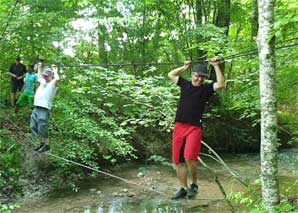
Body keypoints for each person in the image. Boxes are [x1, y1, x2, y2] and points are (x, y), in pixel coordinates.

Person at [167, 58, 225, 199]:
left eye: (202, 77)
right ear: (192, 74)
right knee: (178, 161)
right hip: (179, 126)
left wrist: (216, 66)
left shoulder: (206, 89)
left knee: (189, 157)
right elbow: (171, 74)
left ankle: (194, 184)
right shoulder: (185, 84)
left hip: (194, 128)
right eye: (197, 75)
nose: (199, 79)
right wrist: (184, 67)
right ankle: (183, 188)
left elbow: (221, 84)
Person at [30, 65, 60, 153]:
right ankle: (42, 143)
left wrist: (55, 70)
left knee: (43, 127)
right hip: (36, 107)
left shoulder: (53, 84)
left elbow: (57, 79)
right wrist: (39, 68)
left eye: (47, 75)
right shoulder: (43, 82)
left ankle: (47, 145)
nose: (45, 77)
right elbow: (39, 76)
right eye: (45, 75)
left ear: (51, 76)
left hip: (44, 108)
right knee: (33, 126)